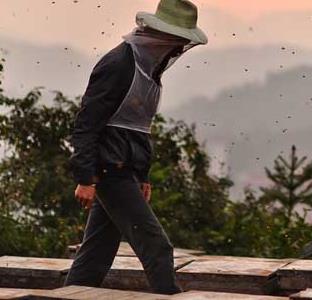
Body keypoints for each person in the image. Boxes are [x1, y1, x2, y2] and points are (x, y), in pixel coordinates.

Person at [64, 0, 207, 295]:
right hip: (108, 170)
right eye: (177, 41)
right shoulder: (118, 65)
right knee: (157, 246)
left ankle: (72, 293)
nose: (179, 49)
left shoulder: (148, 70)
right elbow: (87, 123)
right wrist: (85, 177)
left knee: (96, 253)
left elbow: (137, 128)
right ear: (163, 36)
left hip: (123, 170)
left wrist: (142, 175)